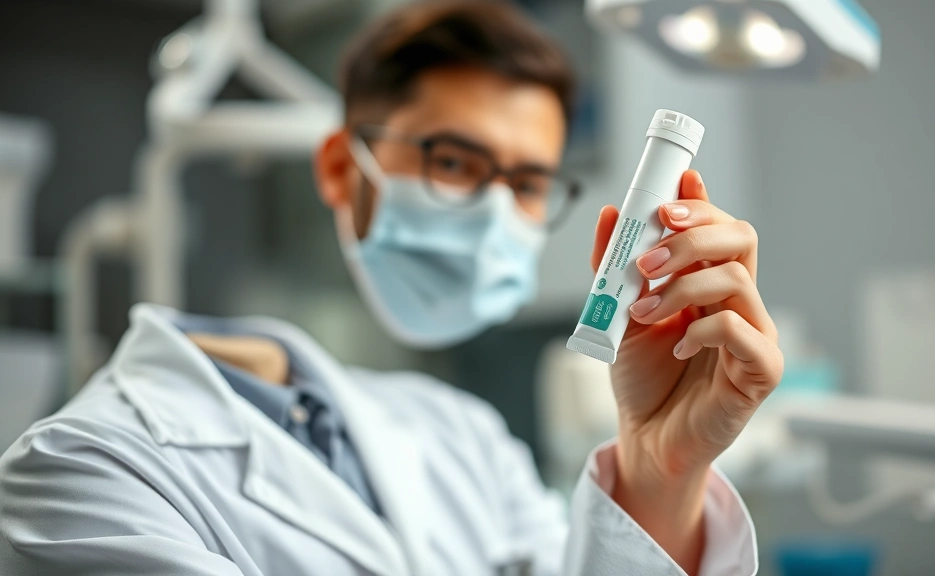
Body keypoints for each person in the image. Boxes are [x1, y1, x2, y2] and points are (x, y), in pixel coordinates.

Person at [0, 1, 783, 575]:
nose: (494, 215)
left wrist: (660, 469)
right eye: (454, 163)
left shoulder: (466, 437)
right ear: (342, 168)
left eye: (528, 183)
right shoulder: (86, 469)